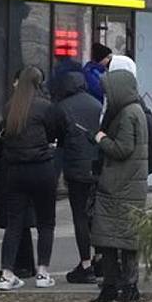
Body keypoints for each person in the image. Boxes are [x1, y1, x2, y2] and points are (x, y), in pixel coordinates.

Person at [0, 66, 68, 291]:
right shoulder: (46, 107)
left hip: (15, 171)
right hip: (41, 168)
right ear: (39, 84)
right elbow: (59, 132)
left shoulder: (11, 108)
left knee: (14, 223)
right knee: (46, 222)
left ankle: (8, 274)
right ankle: (43, 272)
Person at [92, 66, 150, 302]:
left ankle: (115, 287)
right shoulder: (136, 111)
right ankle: (127, 287)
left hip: (119, 187)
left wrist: (101, 139)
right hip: (130, 186)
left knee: (110, 239)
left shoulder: (127, 114)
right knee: (126, 240)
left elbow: (123, 149)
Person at [54, 60, 103, 284]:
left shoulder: (62, 108)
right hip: (97, 167)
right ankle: (100, 258)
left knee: (80, 217)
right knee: (96, 215)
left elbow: (59, 140)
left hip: (75, 169)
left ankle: (85, 263)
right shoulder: (96, 104)